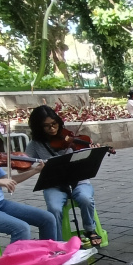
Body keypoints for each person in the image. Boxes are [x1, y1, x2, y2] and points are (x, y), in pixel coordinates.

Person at [25, 105, 102, 247]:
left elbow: (86, 158)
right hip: (53, 185)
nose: (52, 129)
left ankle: (90, 229)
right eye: (46, 126)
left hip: (78, 181)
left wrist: (93, 153)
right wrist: (33, 168)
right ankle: (58, 242)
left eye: (54, 124)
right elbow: (24, 165)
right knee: (54, 208)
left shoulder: (70, 138)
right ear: (38, 127)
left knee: (85, 199)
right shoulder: (34, 144)